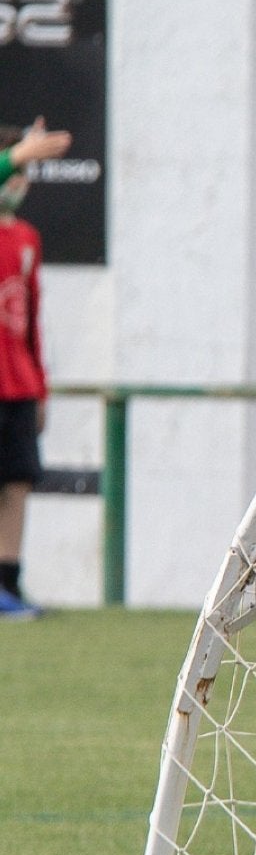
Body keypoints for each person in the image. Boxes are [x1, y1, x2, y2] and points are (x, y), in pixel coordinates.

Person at [0, 119, 65, 619]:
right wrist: (17, 154)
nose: (21, 184)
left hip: (17, 383)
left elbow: (32, 320)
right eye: (17, 170)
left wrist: (40, 388)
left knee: (16, 483)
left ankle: (9, 584)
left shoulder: (27, 238)